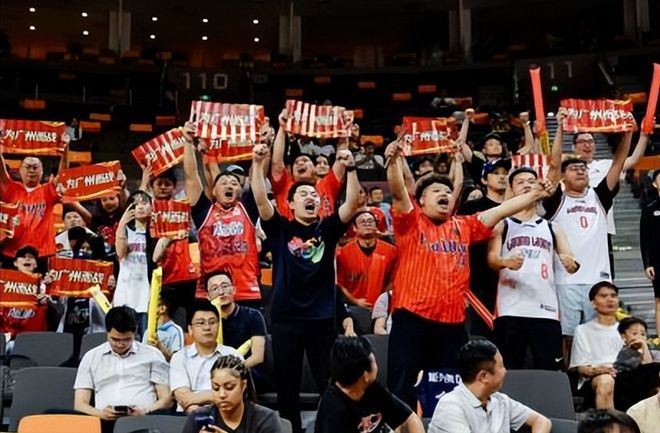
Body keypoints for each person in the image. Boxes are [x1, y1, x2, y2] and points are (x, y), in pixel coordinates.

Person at [384, 137, 554, 408]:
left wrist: (535, 195)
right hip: (412, 318)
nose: (444, 194)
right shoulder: (411, 222)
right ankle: (401, 427)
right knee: (403, 386)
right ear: (422, 199)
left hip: (452, 324)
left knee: (453, 390)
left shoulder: (465, 225)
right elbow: (398, 192)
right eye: (436, 190)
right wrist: (393, 161)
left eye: (448, 191)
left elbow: (501, 209)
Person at [251, 141, 362, 433]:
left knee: (330, 382)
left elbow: (351, 204)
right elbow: (261, 200)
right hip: (286, 319)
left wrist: (351, 168)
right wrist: (257, 164)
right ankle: (292, 430)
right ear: (290, 204)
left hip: (322, 320)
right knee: (287, 386)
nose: (310, 197)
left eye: (314, 194)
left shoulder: (327, 228)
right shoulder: (280, 228)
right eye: (303, 194)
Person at [544, 122, 633, 360]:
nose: (580, 170)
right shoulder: (555, 200)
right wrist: (560, 128)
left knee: (601, 337)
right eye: (573, 168)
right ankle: (570, 381)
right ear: (563, 177)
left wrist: (628, 133)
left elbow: (618, 163)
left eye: (582, 167)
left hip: (599, 279)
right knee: (568, 339)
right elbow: (553, 163)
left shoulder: (600, 196)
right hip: (566, 281)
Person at [487, 166, 579, 369]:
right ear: (511, 190)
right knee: (509, 370)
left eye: (531, 181)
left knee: (548, 370)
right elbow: (492, 259)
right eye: (520, 182)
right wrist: (506, 262)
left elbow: (571, 262)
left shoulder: (552, 227)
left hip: (545, 309)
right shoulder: (503, 224)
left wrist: (571, 264)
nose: (527, 185)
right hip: (511, 308)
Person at [182, 121, 262, 307]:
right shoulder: (204, 212)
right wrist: (187, 142)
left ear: (240, 190)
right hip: (209, 293)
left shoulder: (248, 209)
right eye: (224, 182)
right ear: (214, 190)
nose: (229, 185)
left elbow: (259, 179)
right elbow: (192, 176)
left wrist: (260, 153)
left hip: (246, 292)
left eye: (234, 183)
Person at [74, 306, 172, 433]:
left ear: (135, 333)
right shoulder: (91, 357)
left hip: (144, 420)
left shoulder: (153, 354)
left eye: (127, 339)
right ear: (107, 333)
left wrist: (145, 410)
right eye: (115, 339)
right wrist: (101, 414)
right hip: (103, 422)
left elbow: (166, 400)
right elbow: (80, 404)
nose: (120, 344)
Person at [569, 282, 660, 410]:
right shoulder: (583, 330)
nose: (610, 299)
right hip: (597, 378)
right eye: (604, 296)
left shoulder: (629, 329)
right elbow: (579, 368)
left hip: (626, 376)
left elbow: (647, 366)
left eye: (613, 296)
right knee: (606, 380)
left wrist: (643, 345)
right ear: (593, 303)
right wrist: (599, 370)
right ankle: (609, 422)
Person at [429, 340, 551, 433]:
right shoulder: (450, 407)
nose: (505, 371)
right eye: (501, 366)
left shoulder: (500, 400)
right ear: (484, 376)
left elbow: (541, 421)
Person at [314, 336, 424, 433]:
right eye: (374, 361)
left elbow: (410, 419)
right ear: (365, 375)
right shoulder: (333, 413)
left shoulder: (370, 387)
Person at [458, 158, 511, 338]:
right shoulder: (471, 207)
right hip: (479, 281)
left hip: (512, 282)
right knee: (478, 336)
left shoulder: (519, 209)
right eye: (495, 173)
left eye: (505, 173)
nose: (502, 177)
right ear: (483, 179)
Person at [0, 134, 69, 265]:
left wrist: (66, 147)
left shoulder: (48, 190)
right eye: (27, 167)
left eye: (35, 167)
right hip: (12, 251)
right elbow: (1, 171)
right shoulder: (11, 188)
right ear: (20, 171)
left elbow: (63, 172)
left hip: (42, 252)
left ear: (42, 172)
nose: (31, 170)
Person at [270, 109, 348, 220]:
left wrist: (344, 130)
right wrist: (282, 128)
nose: (300, 163)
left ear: (315, 169)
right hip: (290, 231)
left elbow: (342, 158)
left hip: (322, 230)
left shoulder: (326, 185)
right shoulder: (284, 186)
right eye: (296, 163)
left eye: (305, 160)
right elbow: (277, 162)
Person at [170, 299, 243, 413]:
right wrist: (218, 396)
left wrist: (198, 397)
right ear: (190, 329)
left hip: (227, 414)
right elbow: (184, 398)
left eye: (212, 322)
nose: (207, 327)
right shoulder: (179, 357)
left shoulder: (232, 355)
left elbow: (238, 393)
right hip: (187, 416)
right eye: (201, 323)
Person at [182, 355, 282, 433]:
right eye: (216, 388)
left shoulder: (265, 419)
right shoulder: (199, 417)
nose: (222, 394)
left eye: (229, 387)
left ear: (243, 385)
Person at [336, 210, 397, 308]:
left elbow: (393, 280)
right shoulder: (343, 253)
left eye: (370, 221)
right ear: (355, 228)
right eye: (362, 221)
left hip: (382, 307)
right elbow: (339, 284)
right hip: (353, 307)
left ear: (376, 226)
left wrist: (381, 301)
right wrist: (355, 301)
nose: (367, 224)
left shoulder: (391, 251)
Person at [113, 190, 153, 337]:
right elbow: (121, 252)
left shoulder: (155, 233)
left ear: (152, 207)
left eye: (144, 203)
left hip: (147, 295)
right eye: (135, 204)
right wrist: (122, 224)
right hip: (126, 295)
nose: (140, 207)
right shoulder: (126, 231)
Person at [206, 271, 266, 369]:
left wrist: (232, 371)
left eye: (224, 286)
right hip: (216, 372)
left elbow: (257, 357)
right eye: (215, 289)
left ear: (234, 289)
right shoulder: (207, 322)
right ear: (208, 297)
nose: (221, 292)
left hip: (247, 369)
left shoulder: (253, 315)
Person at [640, 169, 660, 335]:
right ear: (654, 184)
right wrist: (647, 264)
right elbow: (644, 239)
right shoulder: (649, 209)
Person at [143, 291, 185, 362]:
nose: (147, 309)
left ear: (162, 308)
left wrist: (160, 347)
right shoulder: (148, 331)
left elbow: (178, 361)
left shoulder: (176, 331)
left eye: (151, 304)